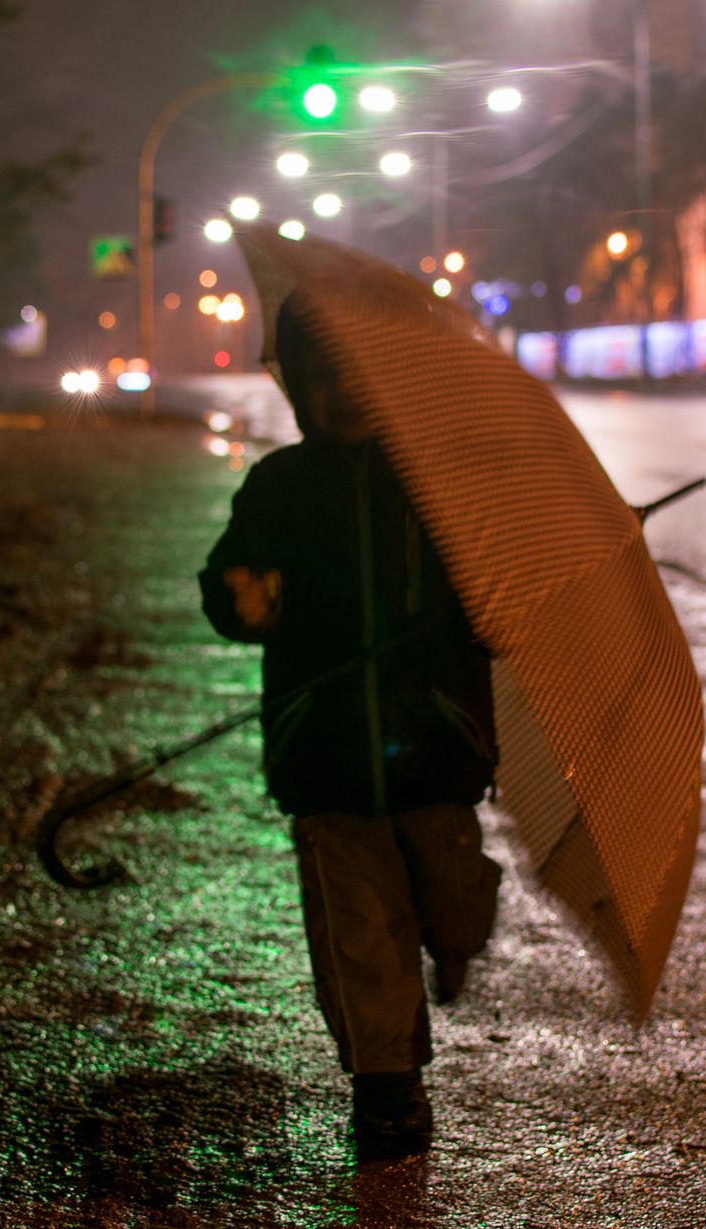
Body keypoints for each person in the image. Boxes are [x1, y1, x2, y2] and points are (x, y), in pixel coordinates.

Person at [199, 300, 502, 1162]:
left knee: (446, 898)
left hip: (437, 745)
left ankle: (457, 932)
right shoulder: (281, 486)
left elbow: (495, 591)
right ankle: (387, 1084)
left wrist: (519, 586)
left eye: (362, 376)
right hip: (325, 747)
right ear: (297, 387)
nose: (345, 395)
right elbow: (236, 575)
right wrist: (241, 595)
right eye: (323, 378)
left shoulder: (440, 481)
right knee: (359, 929)